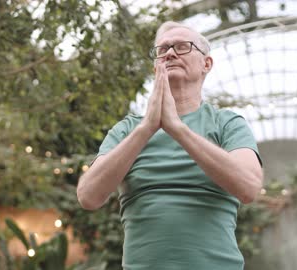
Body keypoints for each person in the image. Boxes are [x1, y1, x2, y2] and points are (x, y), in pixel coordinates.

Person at [76, 21, 263, 270]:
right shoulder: (127, 130)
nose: (171, 53)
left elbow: (249, 187)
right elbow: (88, 196)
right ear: (156, 66)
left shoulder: (227, 123)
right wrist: (146, 129)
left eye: (182, 46)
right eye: (162, 50)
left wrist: (177, 129)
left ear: (206, 64)